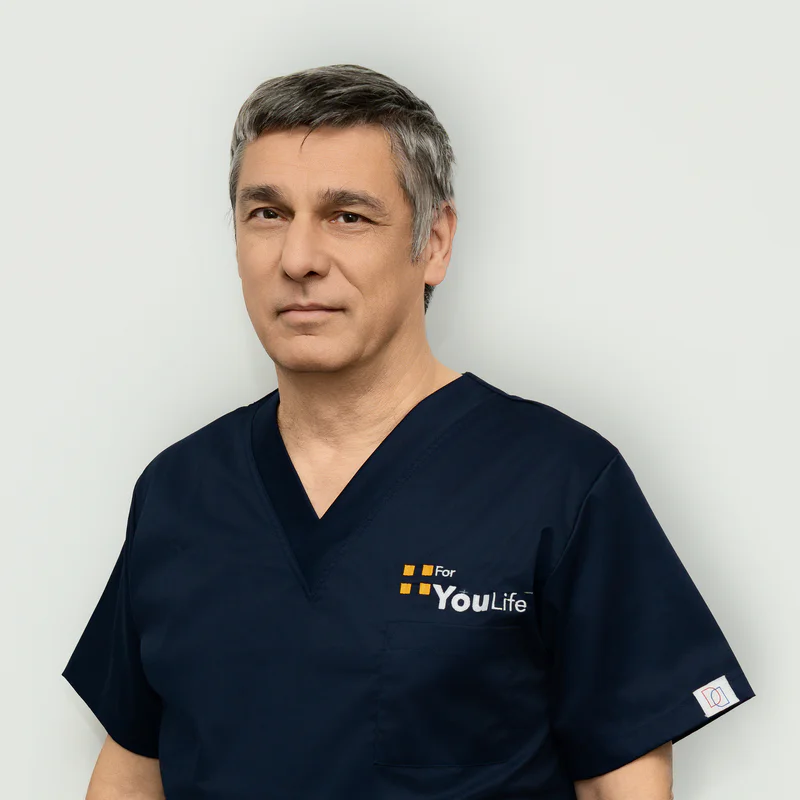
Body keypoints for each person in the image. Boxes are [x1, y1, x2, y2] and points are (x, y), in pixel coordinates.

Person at [62, 63, 755, 800]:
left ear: (435, 242)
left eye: (348, 217)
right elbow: (131, 773)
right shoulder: (179, 491)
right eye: (267, 213)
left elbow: (623, 786)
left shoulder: (561, 484)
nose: (298, 259)